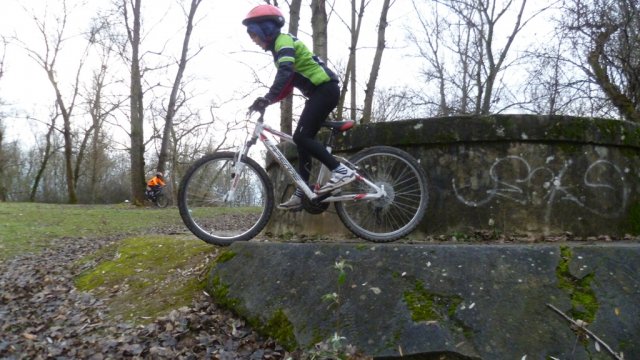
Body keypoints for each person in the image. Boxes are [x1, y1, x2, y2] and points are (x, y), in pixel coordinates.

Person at [243, 4, 356, 211]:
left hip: (325, 90)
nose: (253, 40)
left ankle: (341, 171)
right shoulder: (279, 51)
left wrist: (267, 97)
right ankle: (303, 190)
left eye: (254, 34)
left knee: (301, 137)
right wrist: (267, 101)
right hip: (320, 93)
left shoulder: (283, 41)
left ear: (264, 28)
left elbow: (285, 72)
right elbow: (286, 87)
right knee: (302, 139)